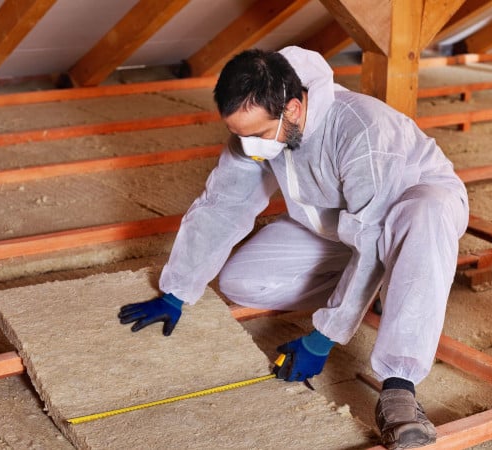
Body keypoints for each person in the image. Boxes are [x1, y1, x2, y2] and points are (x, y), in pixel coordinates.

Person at [119, 46, 468, 449]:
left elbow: (371, 238)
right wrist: (177, 290)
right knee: (242, 280)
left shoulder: (362, 130)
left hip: (409, 214)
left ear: (295, 109)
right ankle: (375, 289)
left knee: (423, 214)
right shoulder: (258, 131)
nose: (250, 148)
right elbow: (223, 205)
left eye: (259, 135)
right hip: (337, 227)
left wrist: (323, 336)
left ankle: (399, 387)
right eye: (239, 135)